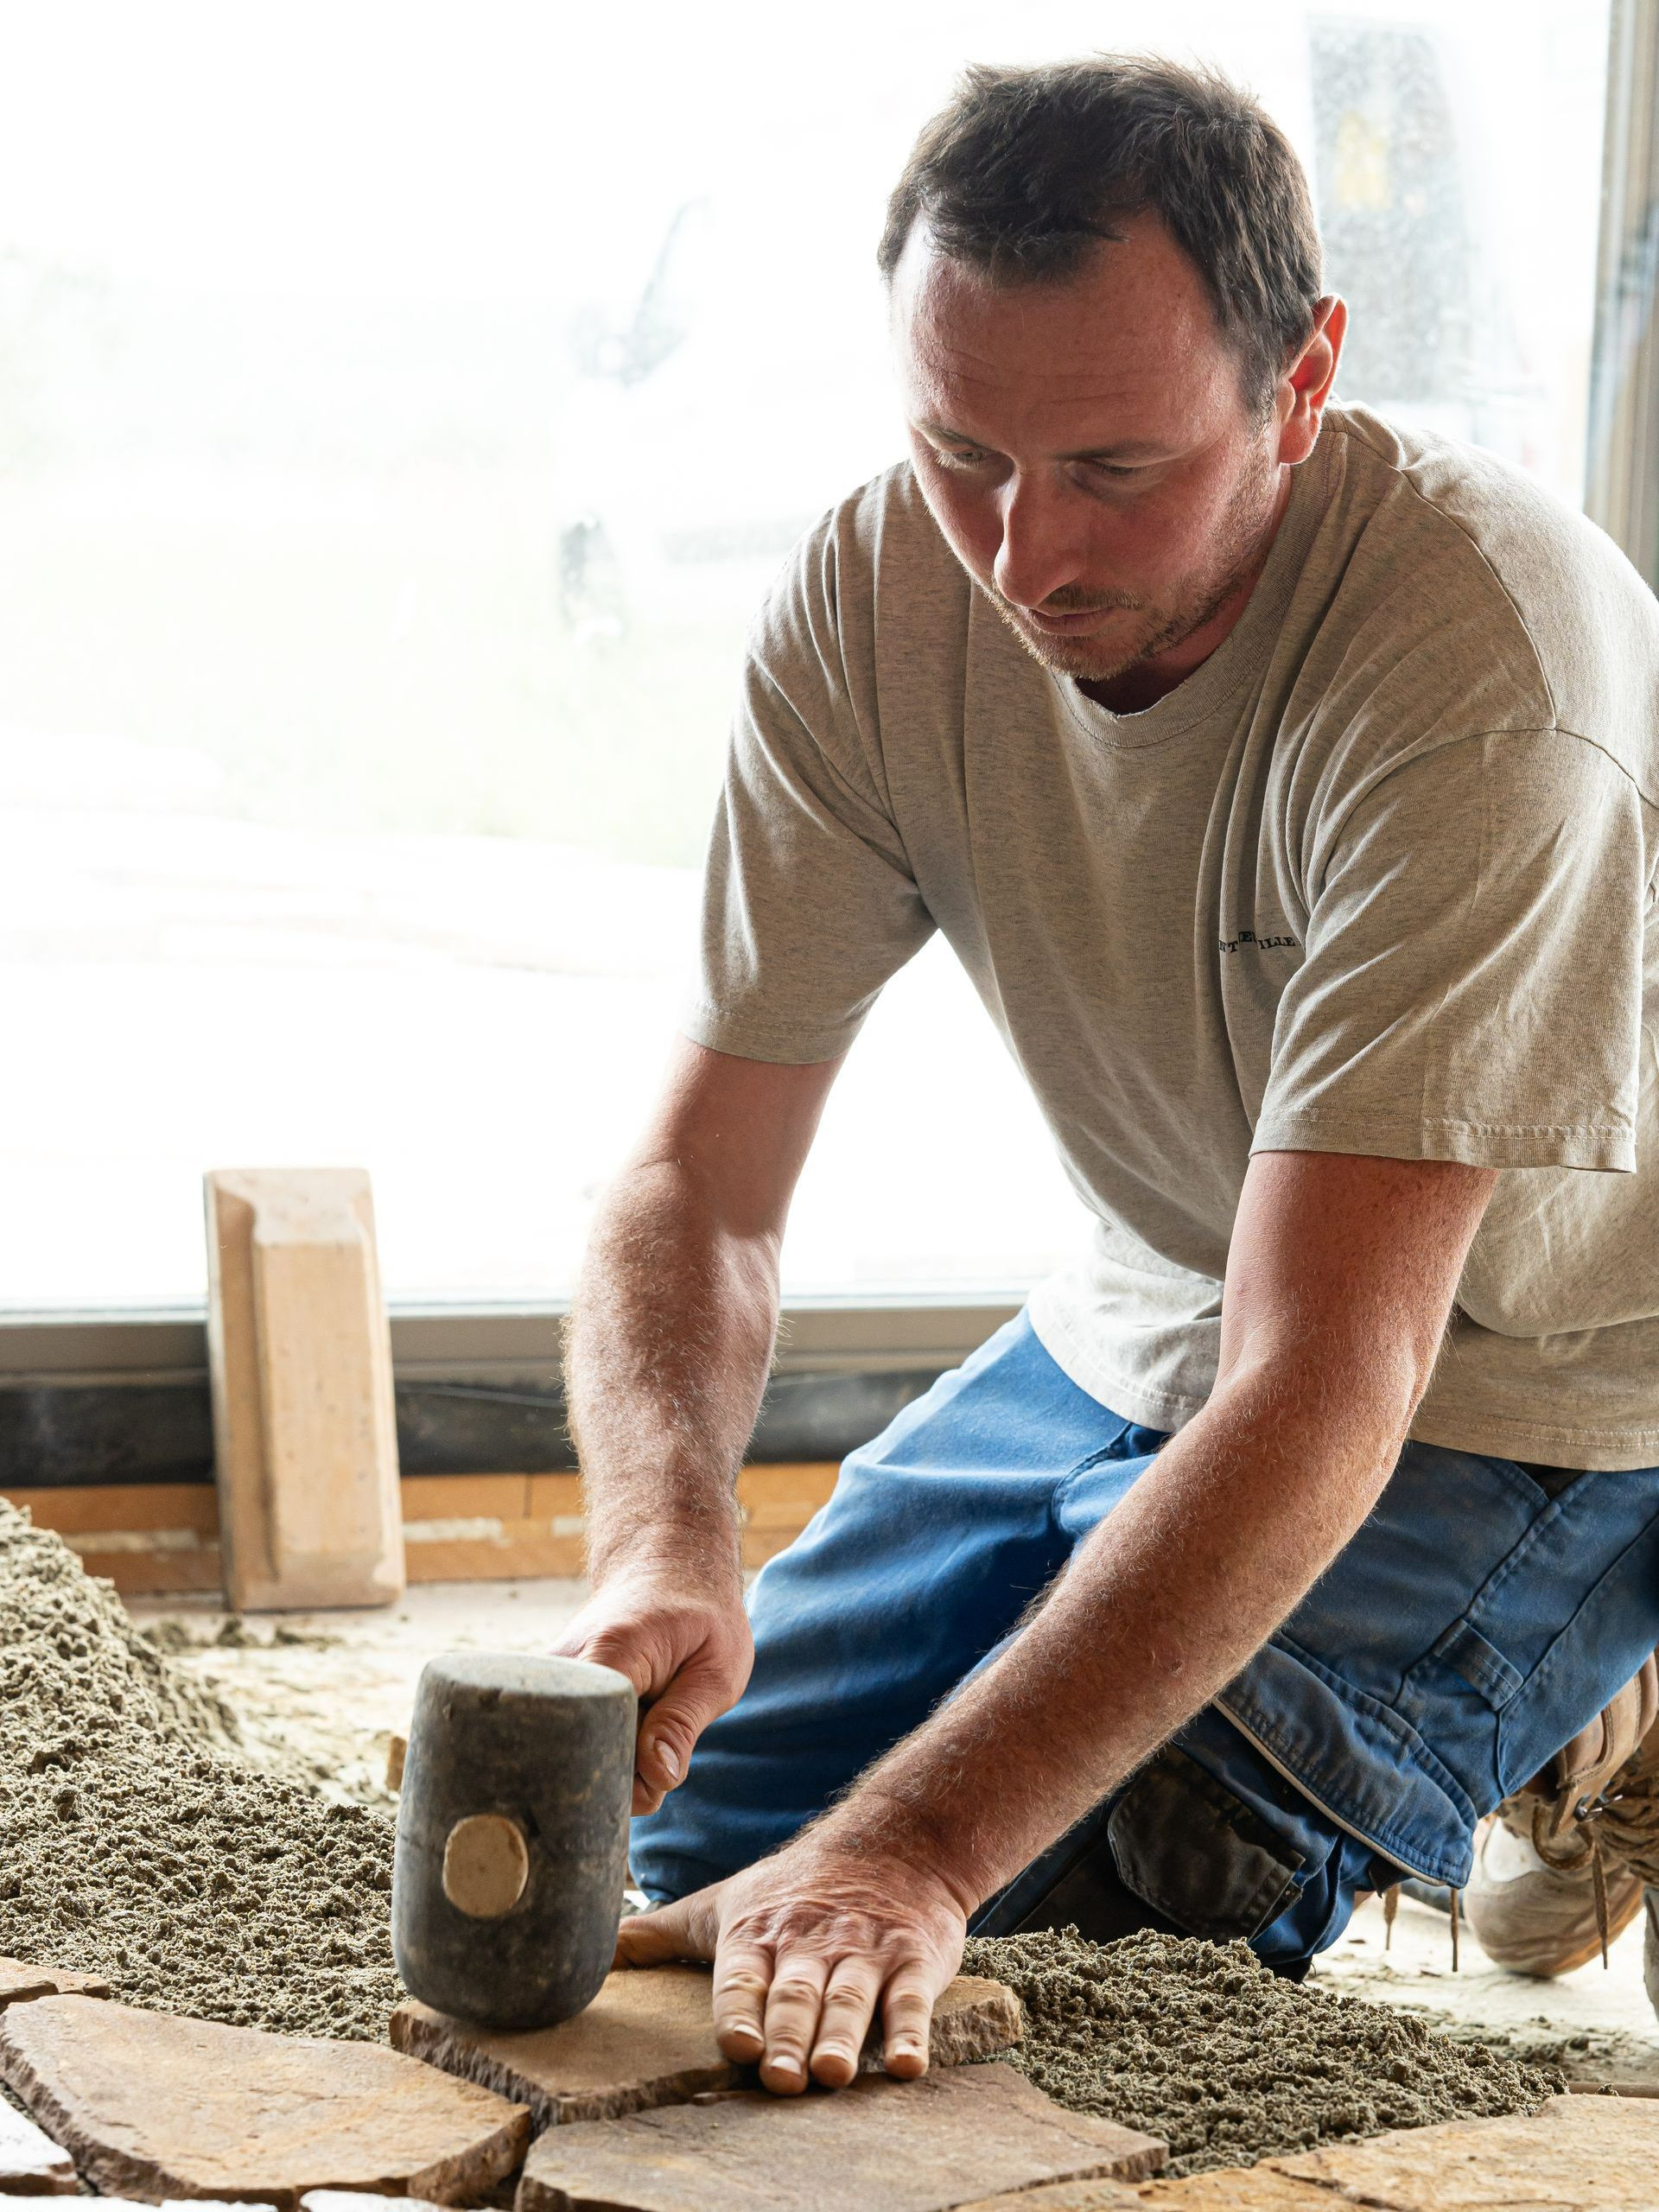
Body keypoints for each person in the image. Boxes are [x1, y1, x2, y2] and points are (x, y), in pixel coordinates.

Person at [555, 54, 1659, 2097]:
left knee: (1068, 1916)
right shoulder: (882, 584)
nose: (1020, 552)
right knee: (679, 1875)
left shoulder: (1482, 672)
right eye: (960, 445)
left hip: (1537, 1364)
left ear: (1302, 380)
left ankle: (1598, 1664)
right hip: (1172, 1288)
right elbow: (697, 1185)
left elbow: (1335, 1371)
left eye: (1114, 469)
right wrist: (662, 1529)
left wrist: (914, 1848)